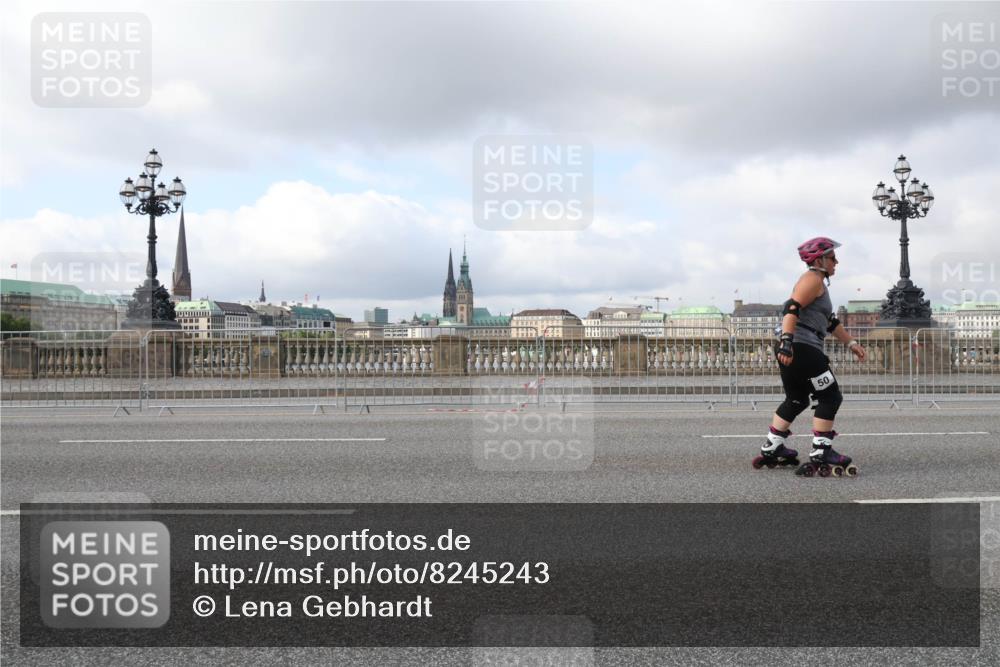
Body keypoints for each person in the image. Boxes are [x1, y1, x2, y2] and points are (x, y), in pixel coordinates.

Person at [753, 237, 867, 477]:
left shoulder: (817, 283)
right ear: (819, 260)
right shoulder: (813, 280)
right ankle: (821, 451)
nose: (837, 261)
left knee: (796, 398)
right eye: (832, 257)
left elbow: (830, 322)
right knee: (830, 396)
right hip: (802, 347)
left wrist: (851, 343)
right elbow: (791, 308)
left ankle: (772, 446)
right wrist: (787, 342)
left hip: (797, 346)